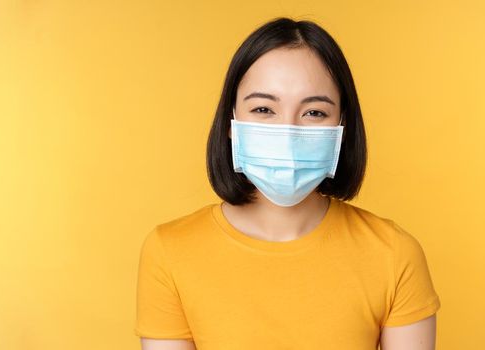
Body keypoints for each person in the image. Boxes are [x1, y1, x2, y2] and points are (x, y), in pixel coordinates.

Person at [136, 17, 440, 350]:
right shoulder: (170, 251)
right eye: (264, 109)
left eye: (314, 113)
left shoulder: (394, 255)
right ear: (231, 123)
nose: (288, 132)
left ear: (342, 127)